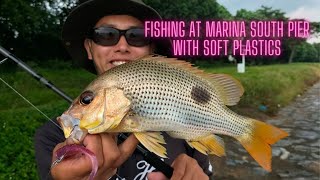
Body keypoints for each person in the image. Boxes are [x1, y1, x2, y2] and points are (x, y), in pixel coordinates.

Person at [34, 0, 212, 179]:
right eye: (106, 35)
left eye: (137, 36)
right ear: (89, 48)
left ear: (151, 50)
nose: (122, 47)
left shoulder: (188, 118)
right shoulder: (51, 136)